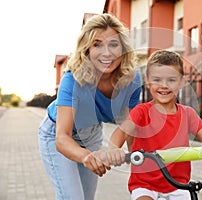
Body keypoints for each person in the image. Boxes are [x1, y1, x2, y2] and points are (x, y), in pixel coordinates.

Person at [105, 49, 202, 200]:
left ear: (181, 82)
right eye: (157, 80)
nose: (164, 85)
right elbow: (120, 134)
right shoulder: (141, 112)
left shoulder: (188, 114)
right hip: (145, 184)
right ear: (148, 81)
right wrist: (114, 150)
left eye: (171, 80)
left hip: (178, 185)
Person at [38, 13, 142, 200]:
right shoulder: (72, 79)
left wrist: (138, 164)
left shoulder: (132, 79)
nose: (107, 53)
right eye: (97, 44)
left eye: (113, 44)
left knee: (86, 197)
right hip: (57, 133)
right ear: (86, 49)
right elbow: (62, 138)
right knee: (72, 197)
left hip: (92, 133)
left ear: (123, 48)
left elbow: (129, 125)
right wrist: (86, 156)